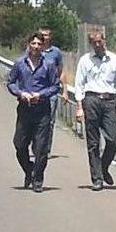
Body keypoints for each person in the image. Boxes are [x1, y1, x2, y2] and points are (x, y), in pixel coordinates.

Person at [7, 32, 60, 193]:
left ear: (42, 46)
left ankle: (38, 180)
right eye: (33, 44)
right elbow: (10, 83)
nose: (36, 47)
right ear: (29, 44)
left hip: (42, 110)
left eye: (39, 44)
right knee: (19, 144)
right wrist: (20, 93)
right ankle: (29, 171)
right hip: (24, 109)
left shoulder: (49, 65)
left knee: (40, 148)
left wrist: (41, 95)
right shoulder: (19, 63)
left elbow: (55, 86)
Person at [74, 31, 116, 191]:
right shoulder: (85, 60)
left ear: (104, 40)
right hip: (91, 100)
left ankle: (103, 167)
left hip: (109, 100)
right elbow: (79, 84)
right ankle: (97, 178)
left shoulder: (113, 59)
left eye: (99, 41)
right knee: (93, 142)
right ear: (91, 44)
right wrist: (79, 107)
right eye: (94, 42)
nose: (98, 45)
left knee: (113, 139)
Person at [39, 26, 67, 156]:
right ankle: (37, 144)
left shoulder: (56, 53)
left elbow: (61, 72)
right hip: (37, 91)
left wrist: (65, 91)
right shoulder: (34, 50)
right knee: (35, 120)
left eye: (47, 35)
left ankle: (46, 149)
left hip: (52, 92)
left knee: (49, 121)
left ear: (50, 37)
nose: (45, 37)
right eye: (42, 35)